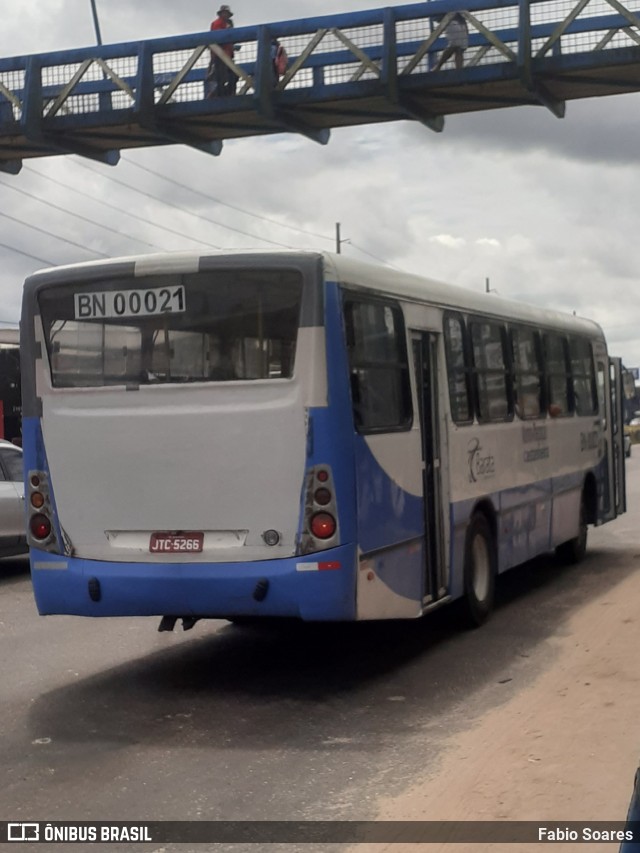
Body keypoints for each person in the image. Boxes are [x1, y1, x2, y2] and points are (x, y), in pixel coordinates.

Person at [207, 5, 236, 97]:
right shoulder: (217, 23)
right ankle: (220, 95)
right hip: (219, 56)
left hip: (227, 55)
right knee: (221, 78)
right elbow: (217, 39)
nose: (226, 15)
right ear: (221, 13)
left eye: (227, 13)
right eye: (225, 13)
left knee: (233, 75)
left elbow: (232, 38)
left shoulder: (228, 23)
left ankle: (226, 94)